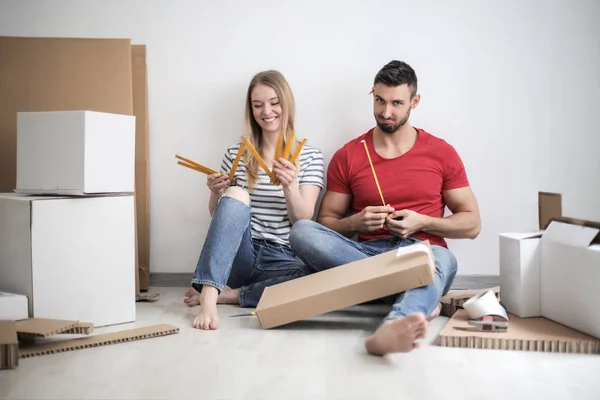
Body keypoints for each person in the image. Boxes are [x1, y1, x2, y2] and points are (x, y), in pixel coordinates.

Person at [289, 60, 481, 356]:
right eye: (379, 100)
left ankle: (393, 324)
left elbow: (472, 224)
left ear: (414, 102)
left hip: (421, 252)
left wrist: (421, 223)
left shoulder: (441, 153)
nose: (385, 112)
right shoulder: (349, 154)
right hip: (365, 256)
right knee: (302, 230)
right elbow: (326, 221)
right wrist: (355, 223)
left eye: (396, 103)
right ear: (372, 93)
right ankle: (412, 297)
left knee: (440, 260)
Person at [184, 70, 325, 330]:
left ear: (286, 103)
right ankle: (209, 297)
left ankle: (231, 294)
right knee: (237, 193)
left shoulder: (311, 156)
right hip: (241, 253)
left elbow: (303, 220)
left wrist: (290, 186)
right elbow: (217, 215)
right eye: (258, 105)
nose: (266, 111)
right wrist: (216, 192)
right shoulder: (236, 153)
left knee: (317, 277)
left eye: (274, 102)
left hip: (282, 257)